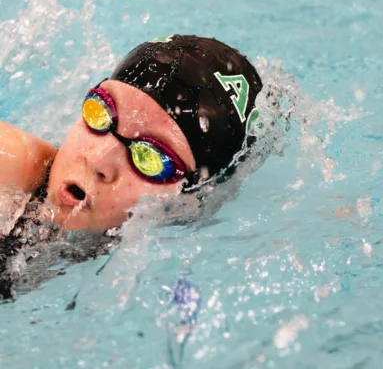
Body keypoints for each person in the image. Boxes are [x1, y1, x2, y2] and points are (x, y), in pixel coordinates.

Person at [0, 35, 262, 236]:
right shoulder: (11, 165)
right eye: (100, 113)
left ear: (191, 197)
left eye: (149, 156)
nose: (98, 161)